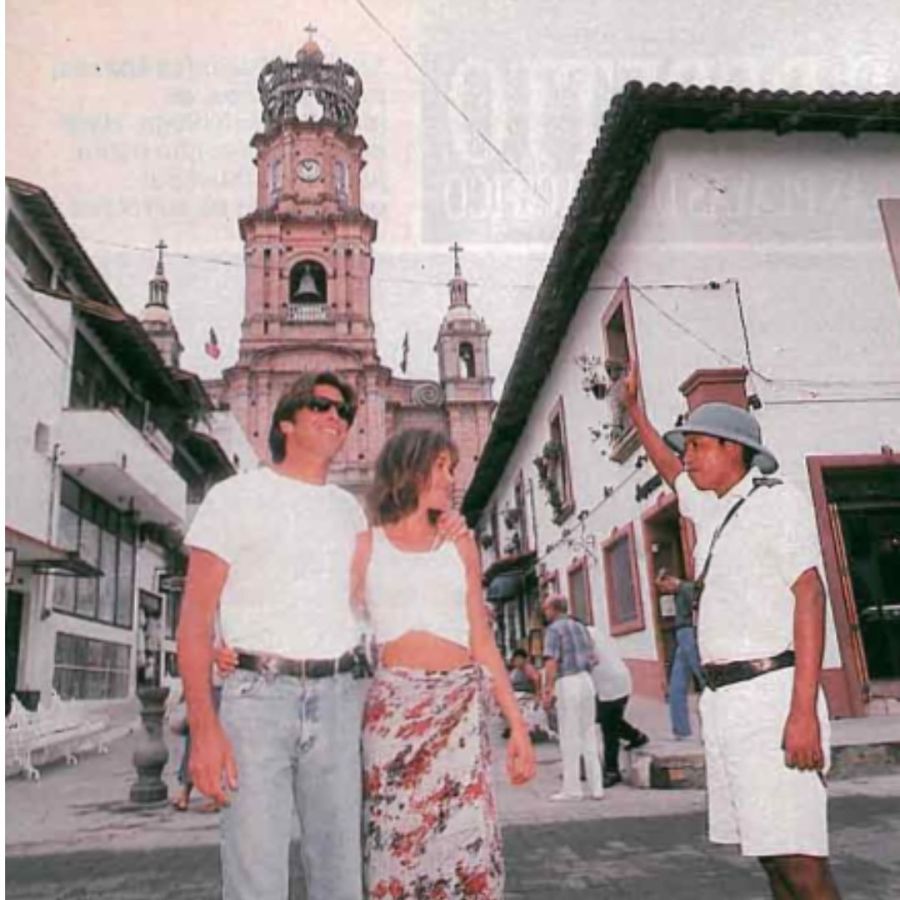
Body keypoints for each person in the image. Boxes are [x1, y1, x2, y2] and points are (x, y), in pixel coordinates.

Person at [622, 363, 841, 900]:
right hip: (728, 706)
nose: (688, 458)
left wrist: (803, 712)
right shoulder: (715, 507)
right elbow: (667, 467)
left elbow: (810, 597)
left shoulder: (776, 502)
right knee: (772, 859)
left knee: (801, 864)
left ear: (734, 449)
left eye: (697, 445)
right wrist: (632, 411)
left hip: (772, 699)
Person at [176, 371, 369, 900]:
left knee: (340, 874)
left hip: (337, 698)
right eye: (322, 406)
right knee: (255, 875)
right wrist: (204, 729)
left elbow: (367, 602)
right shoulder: (234, 497)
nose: (337, 418)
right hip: (258, 699)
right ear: (285, 421)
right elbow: (194, 623)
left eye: (345, 412)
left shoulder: (349, 511)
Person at [353, 428, 536, 899]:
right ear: (411, 467)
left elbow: (481, 636)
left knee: (465, 846)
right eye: (443, 466)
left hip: (459, 711)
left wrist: (517, 724)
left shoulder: (460, 544)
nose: (452, 478)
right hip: (393, 718)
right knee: (396, 846)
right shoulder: (365, 545)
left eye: (452, 468)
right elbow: (332, 624)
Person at [540, 595, 604, 801]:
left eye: (546, 609)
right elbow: (594, 657)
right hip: (586, 681)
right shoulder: (581, 627)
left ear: (553, 609)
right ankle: (597, 788)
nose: (545, 613)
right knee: (589, 733)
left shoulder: (553, 630)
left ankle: (572, 788)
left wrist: (547, 690)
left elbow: (551, 662)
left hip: (567, 681)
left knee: (569, 736)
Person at [587, 625, 648, 787]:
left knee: (609, 729)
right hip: (619, 679)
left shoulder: (584, 636)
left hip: (610, 684)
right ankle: (636, 736)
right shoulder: (594, 631)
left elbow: (591, 660)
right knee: (606, 719)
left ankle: (612, 771)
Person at [656, 571, 706, 739]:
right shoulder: (678, 593)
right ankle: (680, 729)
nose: (664, 591)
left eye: (663, 586)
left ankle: (708, 726)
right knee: (676, 684)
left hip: (688, 634)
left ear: (669, 579)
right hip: (681, 635)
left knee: (703, 677)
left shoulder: (687, 589)